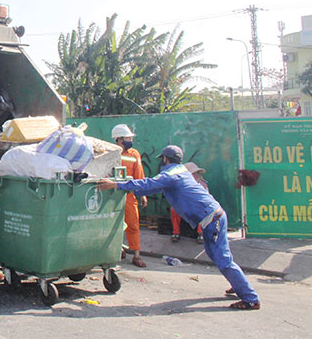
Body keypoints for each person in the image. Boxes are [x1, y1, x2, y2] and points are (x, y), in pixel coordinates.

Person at [97, 145, 261, 310]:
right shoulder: (180, 172)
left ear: (165, 159)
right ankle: (238, 283)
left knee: (223, 259)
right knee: (219, 256)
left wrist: (116, 185)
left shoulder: (171, 174)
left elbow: (149, 183)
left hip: (212, 219)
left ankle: (250, 298)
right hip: (215, 216)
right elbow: (153, 186)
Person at [111, 124, 147, 268]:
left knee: (133, 224)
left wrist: (142, 194)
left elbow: (139, 174)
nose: (130, 140)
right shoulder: (111, 153)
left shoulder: (134, 154)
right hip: (113, 195)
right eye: (127, 137)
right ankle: (118, 250)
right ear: (119, 139)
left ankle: (136, 255)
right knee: (115, 225)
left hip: (129, 195)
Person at [170, 162, 205, 243]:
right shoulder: (181, 184)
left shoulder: (202, 184)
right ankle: (176, 233)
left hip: (197, 206)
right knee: (173, 209)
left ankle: (201, 234)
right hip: (185, 206)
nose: (196, 175)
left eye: (197, 173)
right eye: (193, 173)